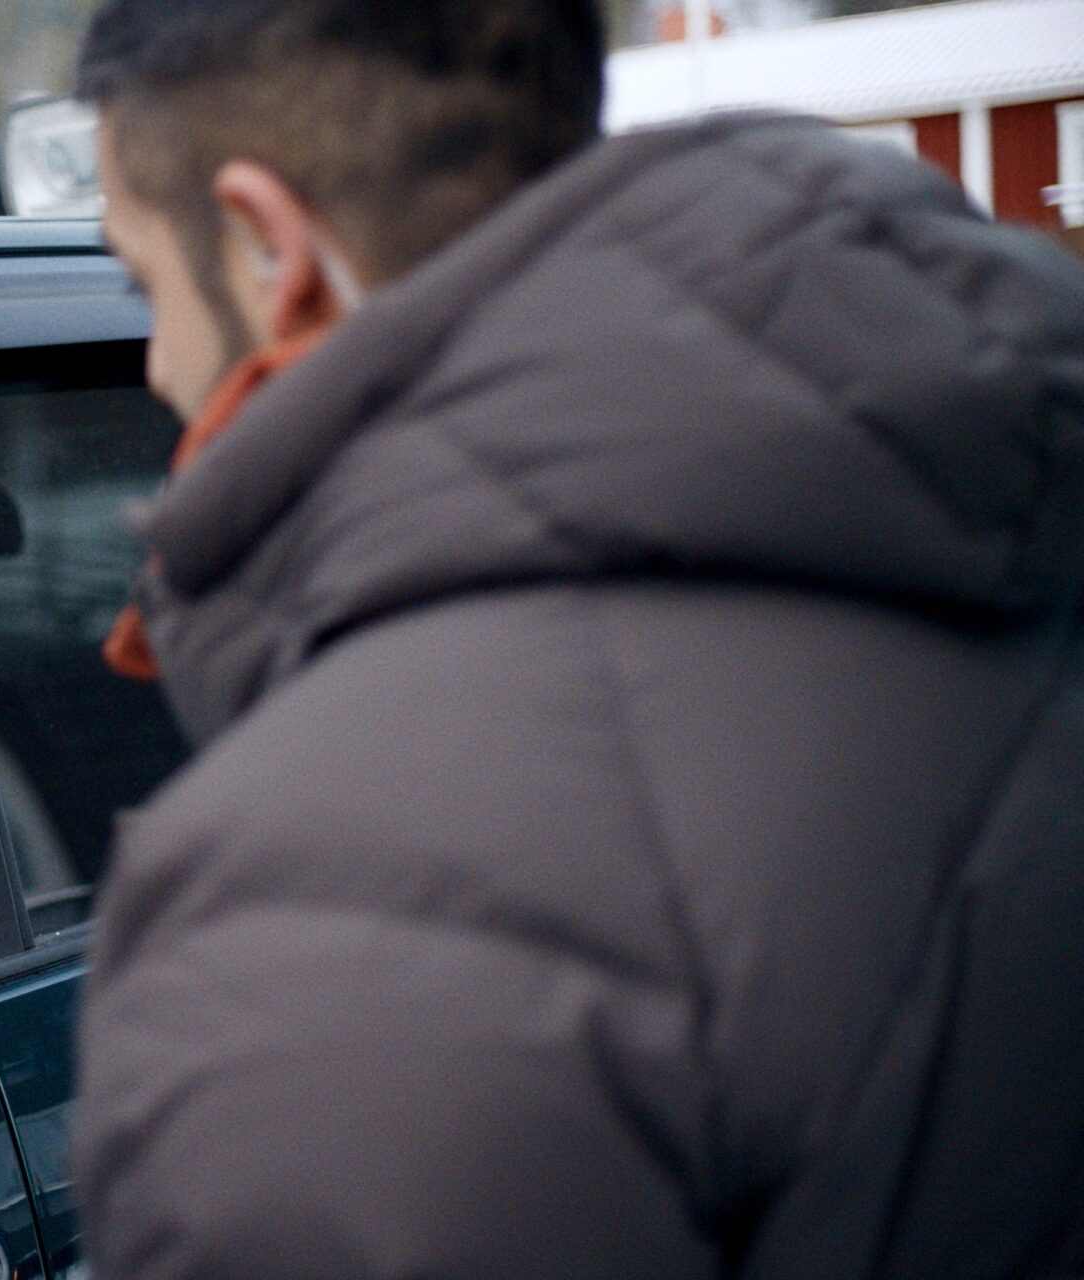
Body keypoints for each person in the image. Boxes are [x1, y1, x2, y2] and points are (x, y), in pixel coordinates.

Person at [72, 2, 1084, 1277]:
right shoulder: (1011, 517)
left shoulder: (317, 894)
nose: (155, 362)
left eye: (143, 284)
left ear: (272, 247)